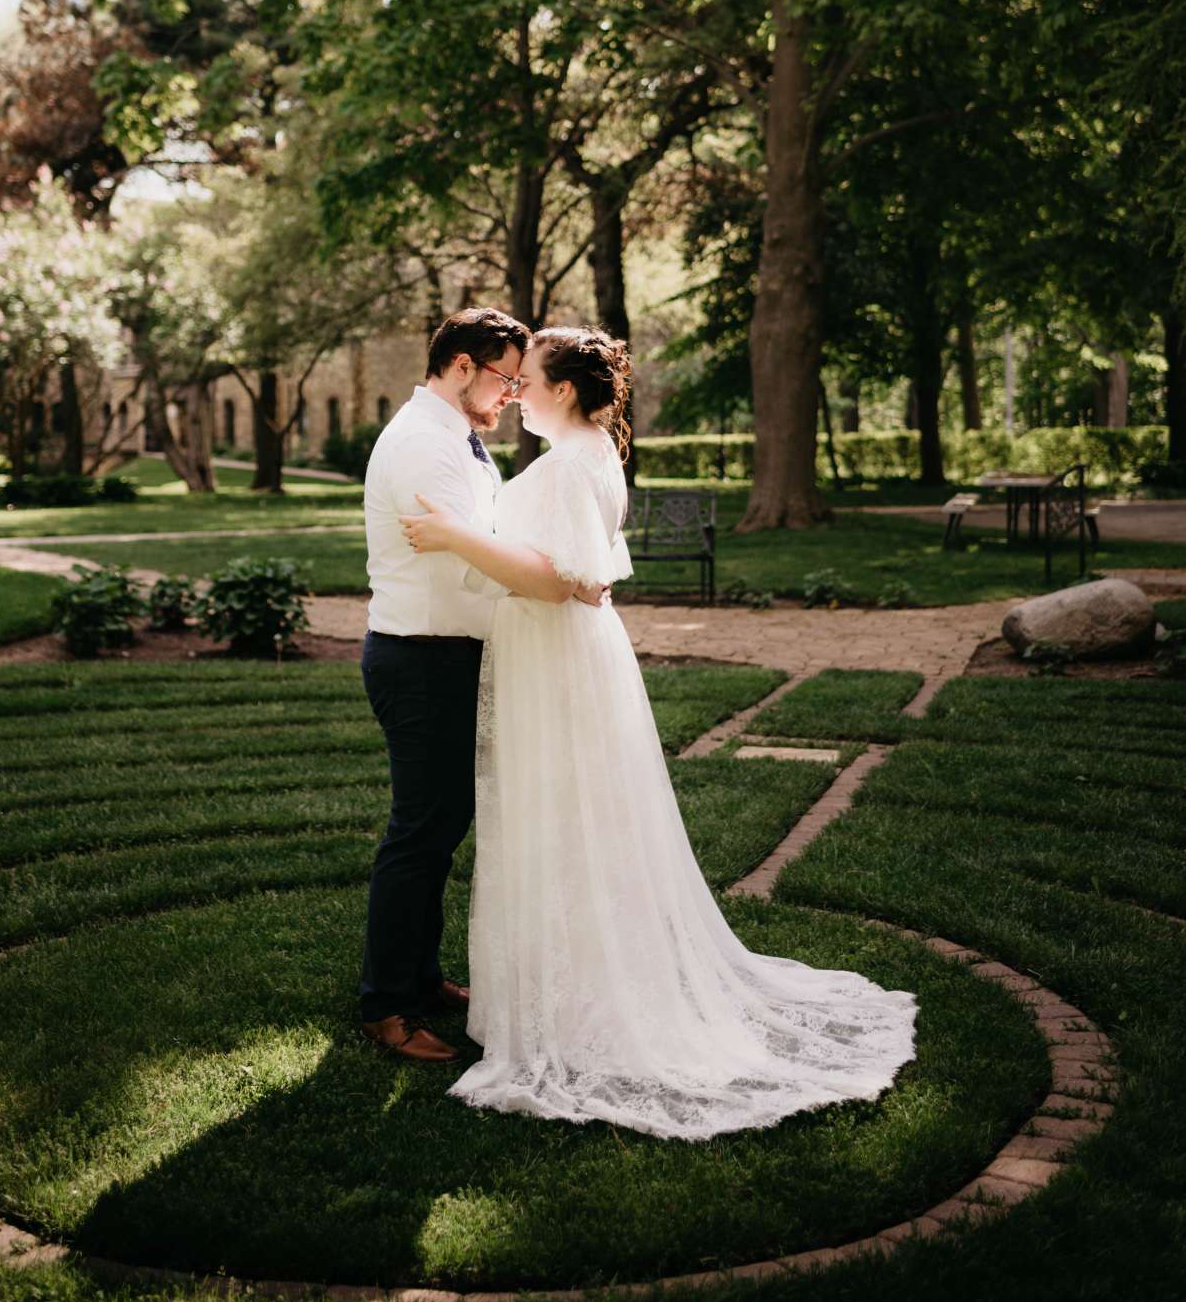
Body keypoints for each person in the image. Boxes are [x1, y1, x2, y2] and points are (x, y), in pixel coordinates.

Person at [400, 326, 918, 1141]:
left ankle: (579, 1000)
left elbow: (564, 582)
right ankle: (571, 981)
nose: (517, 390)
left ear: (563, 389)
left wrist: (454, 535)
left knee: (561, 820)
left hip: (555, 649)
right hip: (562, 656)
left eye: (527, 378)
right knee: (572, 820)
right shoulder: (590, 453)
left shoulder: (571, 463)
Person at [359, 308, 610, 1063]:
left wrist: (564, 566)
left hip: (452, 652)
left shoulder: (456, 439)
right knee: (419, 830)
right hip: (420, 656)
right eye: (505, 376)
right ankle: (385, 1004)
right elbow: (476, 561)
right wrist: (556, 572)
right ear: (462, 367)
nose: (512, 393)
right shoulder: (420, 445)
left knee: (442, 826)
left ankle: (422, 975)